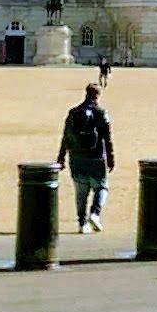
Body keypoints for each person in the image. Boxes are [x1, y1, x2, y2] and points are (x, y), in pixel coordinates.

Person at [56, 83, 115, 233]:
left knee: (81, 192)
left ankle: (82, 223)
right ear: (98, 95)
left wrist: (61, 158)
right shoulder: (101, 113)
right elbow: (107, 139)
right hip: (96, 157)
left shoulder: (74, 112)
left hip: (76, 156)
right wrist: (111, 157)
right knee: (101, 187)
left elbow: (66, 137)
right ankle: (95, 213)